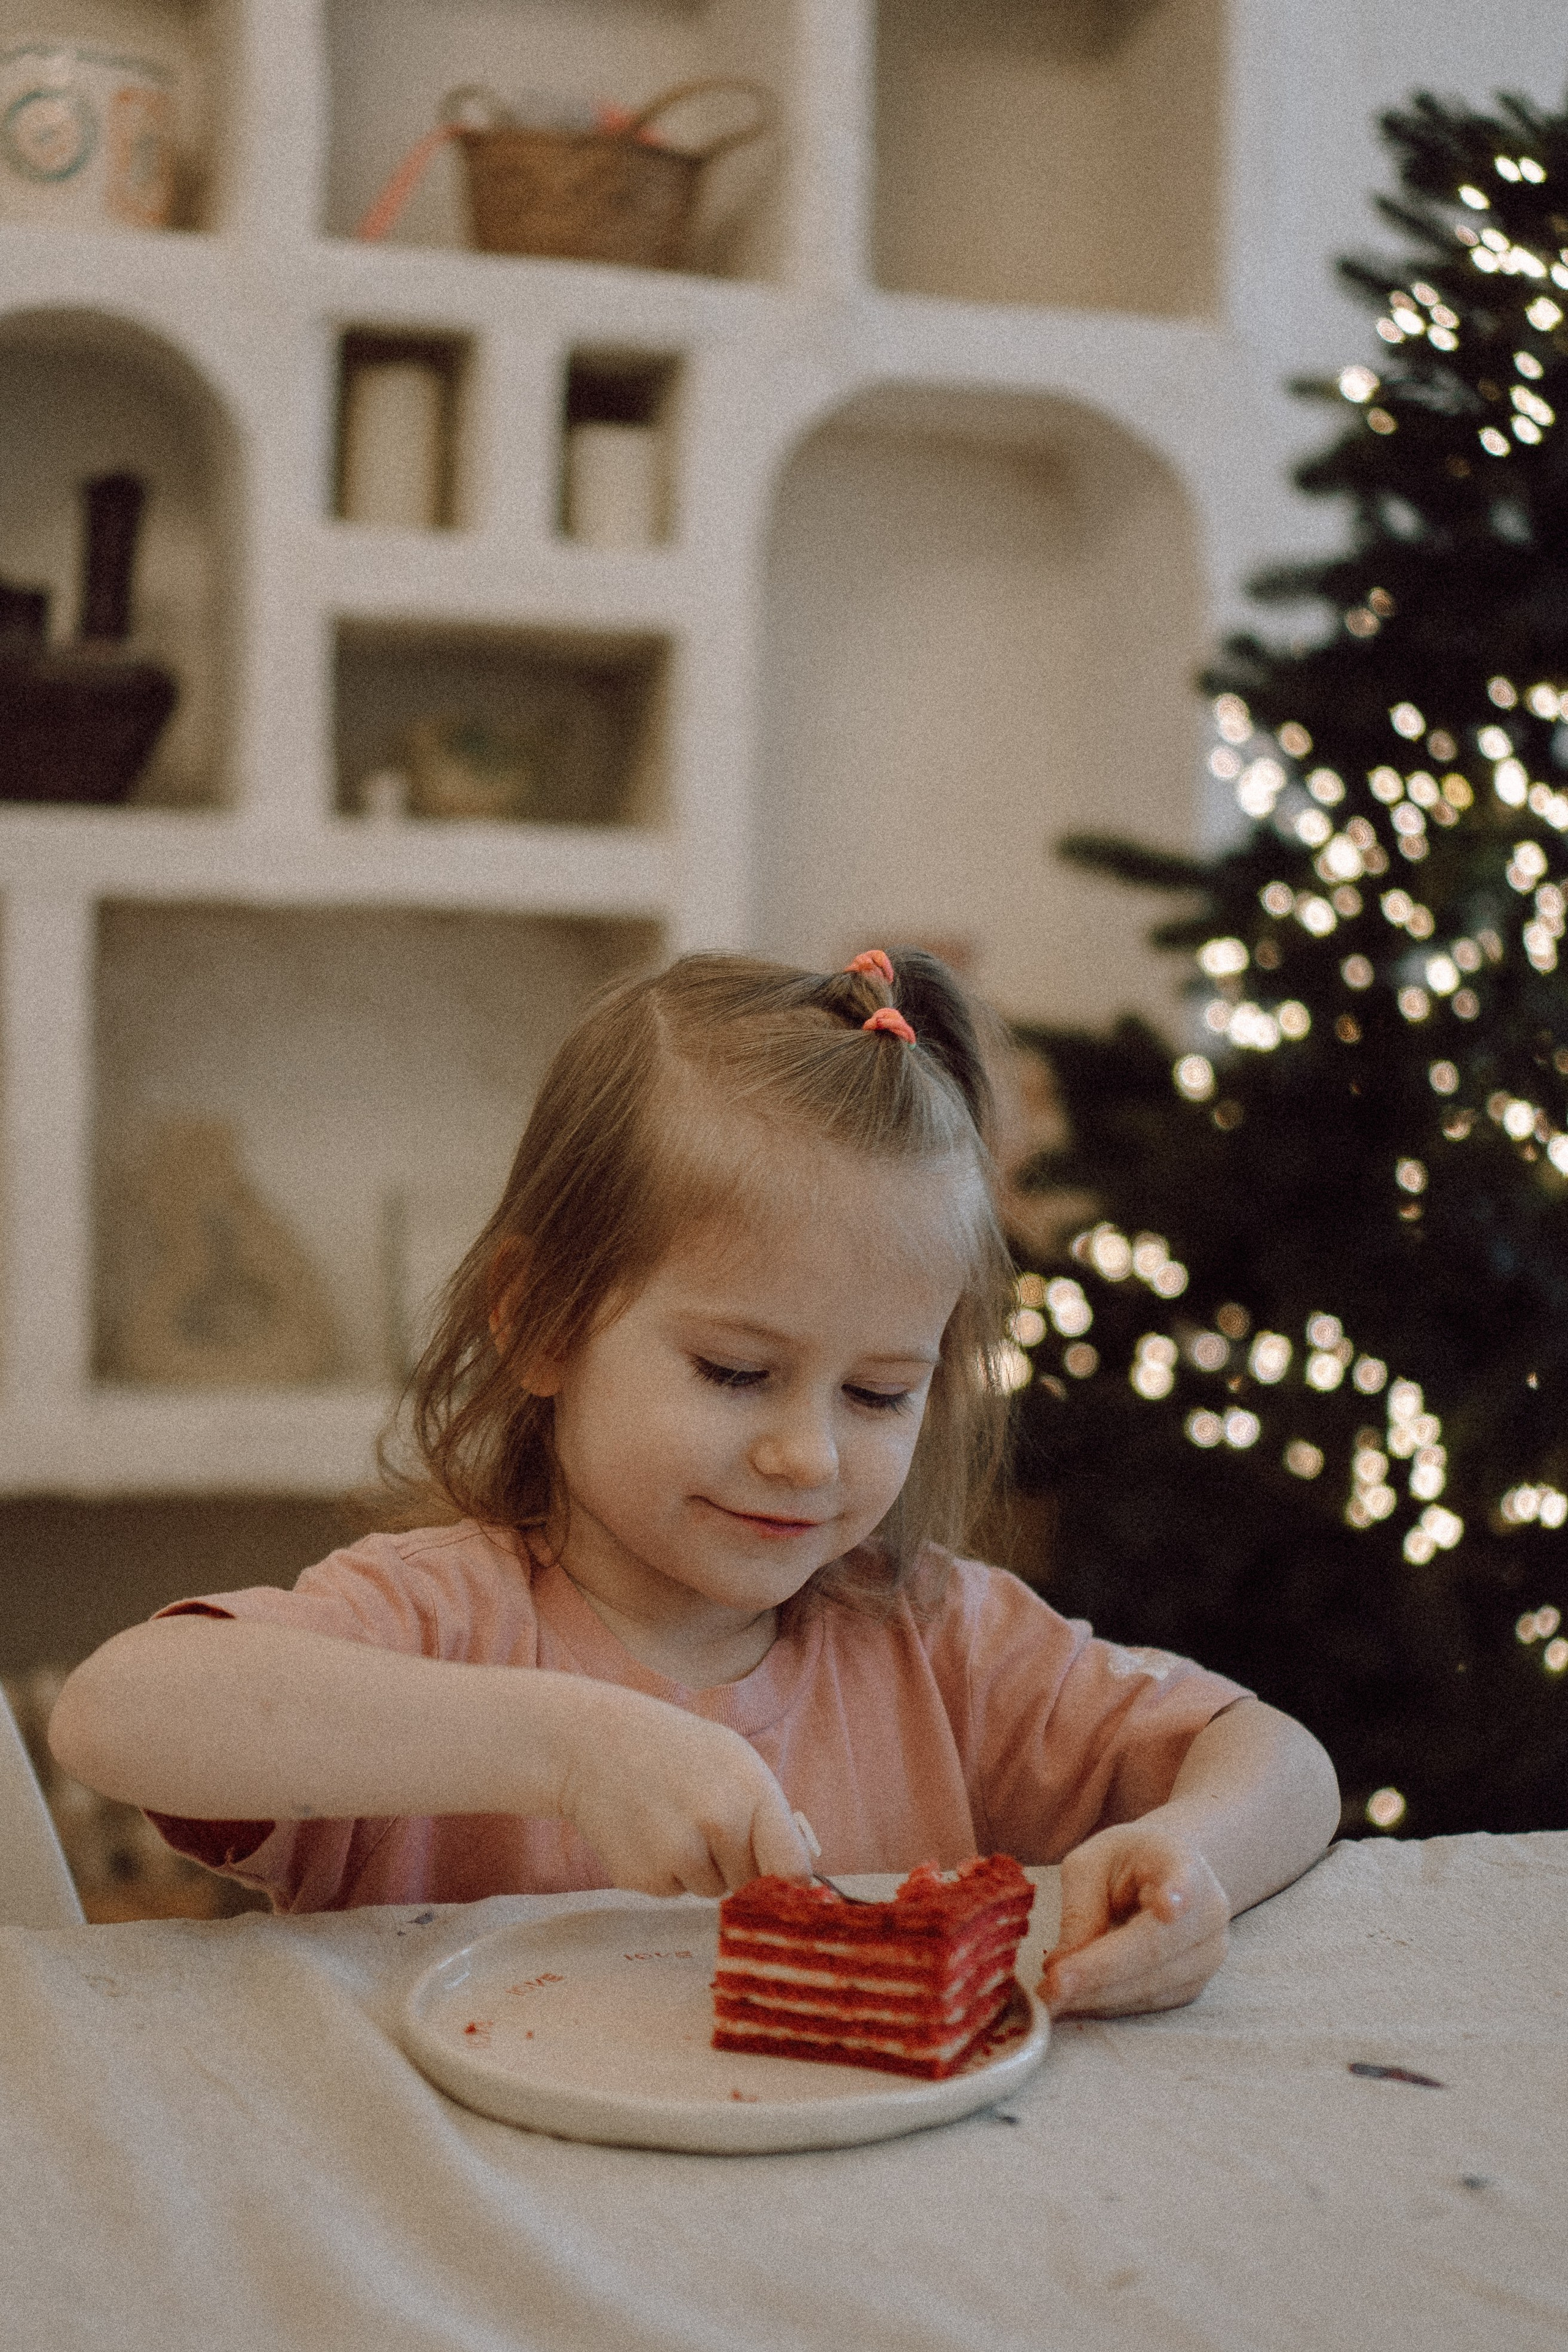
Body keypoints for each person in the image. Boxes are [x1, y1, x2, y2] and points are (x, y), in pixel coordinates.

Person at [50, 949, 1339, 2017]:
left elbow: (1275, 1758)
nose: (808, 1456)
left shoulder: (938, 1643)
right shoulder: (442, 1620)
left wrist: (1189, 1864)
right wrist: (568, 1749)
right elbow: (115, 1714)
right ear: (542, 1319)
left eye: (878, 1393)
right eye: (733, 1372)